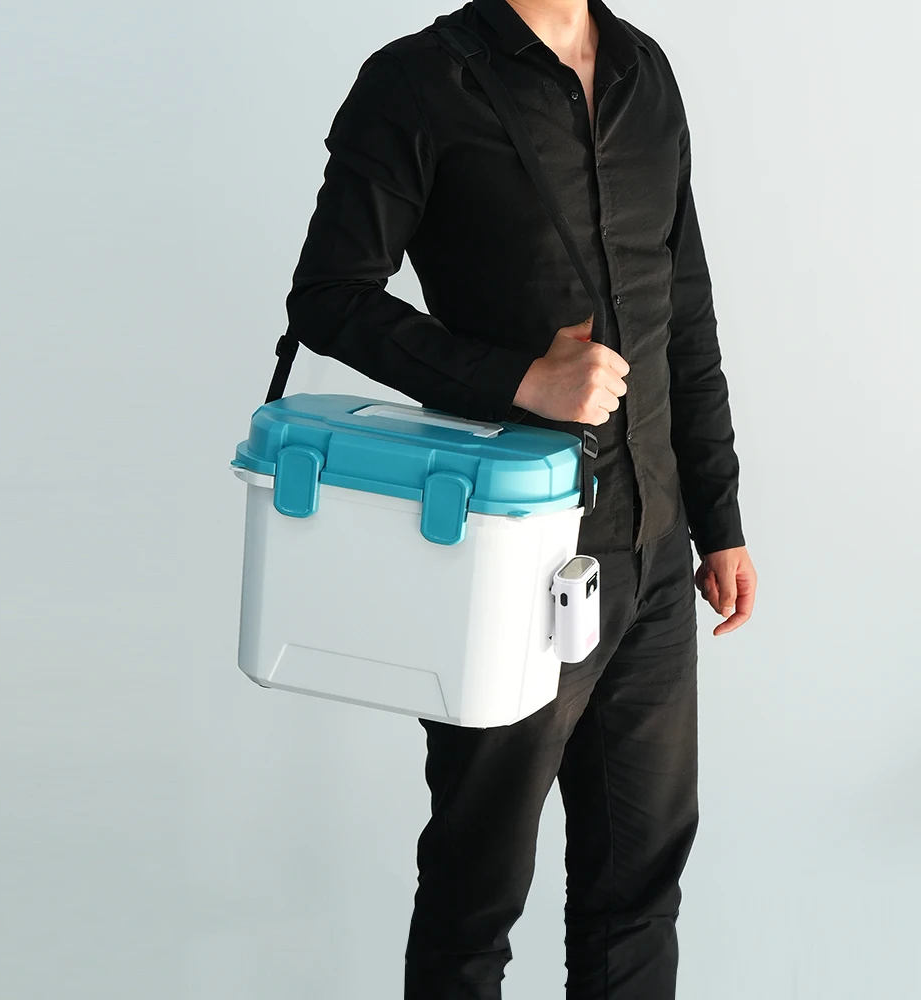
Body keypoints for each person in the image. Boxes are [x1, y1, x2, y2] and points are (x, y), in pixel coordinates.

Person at [284, 0, 759, 996]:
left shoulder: (643, 71)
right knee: (475, 897)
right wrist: (519, 381)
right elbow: (329, 296)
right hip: (508, 561)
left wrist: (720, 519)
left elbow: (683, 307)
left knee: (640, 889)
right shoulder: (418, 81)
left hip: (654, 550)